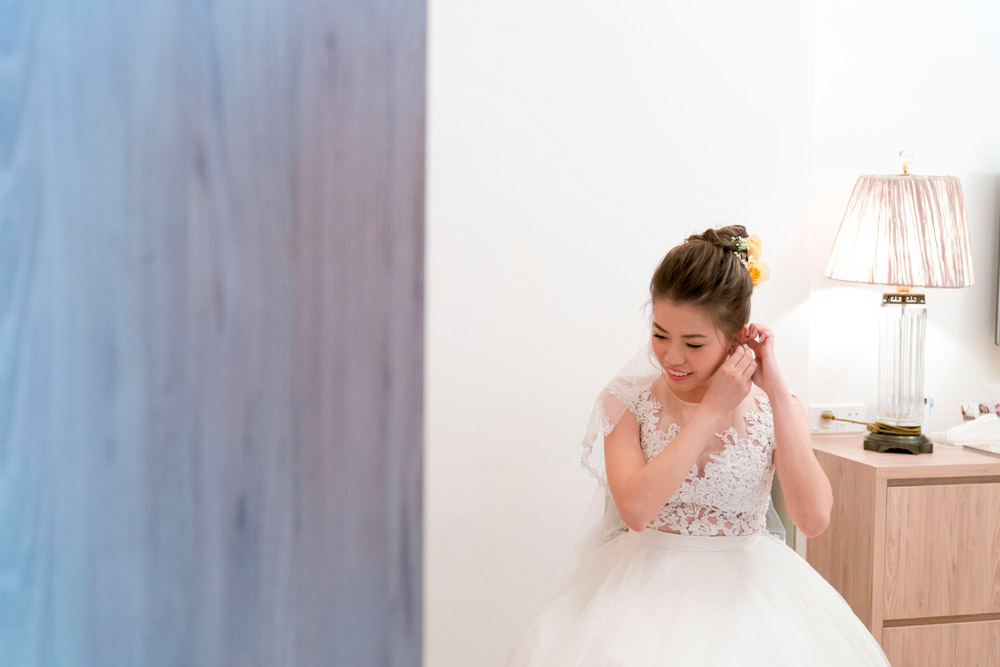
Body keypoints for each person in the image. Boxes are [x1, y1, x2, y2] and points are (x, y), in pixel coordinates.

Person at [506, 226, 891, 666]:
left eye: (693, 343)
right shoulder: (627, 400)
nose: (672, 356)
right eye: (660, 335)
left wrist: (777, 391)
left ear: (737, 338)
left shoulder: (776, 405)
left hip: (753, 600)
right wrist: (712, 410)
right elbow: (636, 511)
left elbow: (814, 519)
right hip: (641, 598)